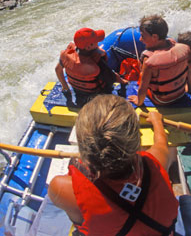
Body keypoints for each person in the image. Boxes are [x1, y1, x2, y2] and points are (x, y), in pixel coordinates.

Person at [48, 94, 179, 235]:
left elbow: (77, 219)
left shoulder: (60, 188)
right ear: (136, 140)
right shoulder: (156, 162)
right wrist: (157, 121)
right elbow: (161, 144)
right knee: (171, 152)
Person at [128, 15, 191, 107]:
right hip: (181, 94)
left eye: (143, 36)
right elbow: (188, 71)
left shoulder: (149, 60)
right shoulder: (181, 49)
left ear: (154, 37)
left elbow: (143, 87)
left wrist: (139, 101)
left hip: (161, 100)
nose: (140, 39)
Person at [55, 27, 126, 107]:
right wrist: (123, 81)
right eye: (96, 41)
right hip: (95, 95)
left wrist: (65, 87)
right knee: (110, 86)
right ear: (89, 47)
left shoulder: (66, 55)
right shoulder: (96, 62)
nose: (98, 42)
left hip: (77, 90)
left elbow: (57, 69)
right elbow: (111, 78)